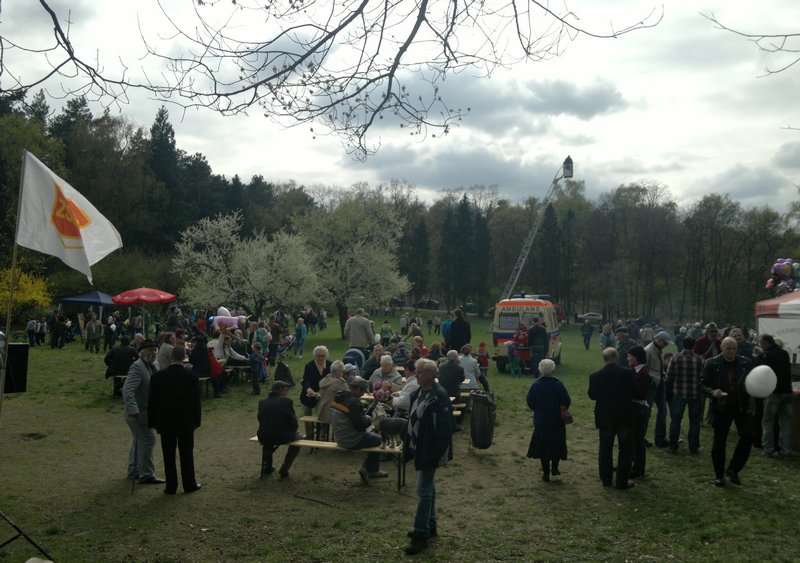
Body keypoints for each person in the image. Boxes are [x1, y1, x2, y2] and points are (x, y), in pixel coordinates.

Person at [403, 359, 454, 555]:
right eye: (416, 371)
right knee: (428, 488)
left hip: (428, 451)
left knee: (422, 491)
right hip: (418, 447)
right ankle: (430, 525)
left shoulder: (439, 397)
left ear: (431, 375)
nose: (416, 375)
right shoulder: (418, 392)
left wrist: (434, 454)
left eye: (420, 372)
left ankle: (420, 535)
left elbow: (445, 430)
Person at [699, 336, 754, 487]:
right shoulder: (712, 363)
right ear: (721, 348)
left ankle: (733, 469)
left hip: (741, 406)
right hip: (721, 407)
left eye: (734, 348)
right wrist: (712, 392)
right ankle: (719, 474)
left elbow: (753, 380)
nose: (731, 351)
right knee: (719, 441)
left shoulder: (745, 362)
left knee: (748, 436)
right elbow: (702, 384)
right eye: (728, 348)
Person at [148, 346, 202, 494]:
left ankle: (171, 486)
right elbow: (196, 402)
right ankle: (189, 484)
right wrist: (197, 421)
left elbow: (152, 401)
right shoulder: (192, 377)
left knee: (168, 455)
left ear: (171, 357)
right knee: (186, 454)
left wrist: (152, 421)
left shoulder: (158, 377)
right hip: (186, 421)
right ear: (184, 357)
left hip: (166, 421)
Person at [588, 348, 639, 490]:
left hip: (605, 417)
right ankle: (622, 481)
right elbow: (636, 392)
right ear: (617, 357)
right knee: (625, 450)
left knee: (605, 448)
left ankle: (606, 479)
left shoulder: (596, 376)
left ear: (604, 359)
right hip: (624, 416)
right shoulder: (627, 374)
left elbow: (592, 395)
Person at [122, 339, 165, 485]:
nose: (153, 353)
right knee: (148, 440)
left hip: (148, 412)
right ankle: (146, 474)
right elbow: (128, 390)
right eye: (150, 350)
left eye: (155, 350)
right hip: (138, 413)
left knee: (139, 441)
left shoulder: (154, 364)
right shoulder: (137, 366)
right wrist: (133, 409)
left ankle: (134, 471)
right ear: (142, 352)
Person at [330, 377, 386, 483]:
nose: (363, 394)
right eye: (363, 391)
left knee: (372, 436)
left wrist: (362, 417)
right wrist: (368, 420)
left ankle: (373, 469)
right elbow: (360, 426)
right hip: (351, 440)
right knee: (379, 439)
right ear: (358, 389)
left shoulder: (339, 397)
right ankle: (368, 469)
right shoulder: (354, 403)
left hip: (338, 437)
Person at [526, 359, 571, 482]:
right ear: (553, 370)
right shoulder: (559, 385)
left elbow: (530, 401)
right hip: (557, 421)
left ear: (540, 370)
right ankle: (555, 468)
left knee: (543, 448)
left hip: (541, 421)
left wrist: (537, 408)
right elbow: (567, 401)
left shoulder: (536, 385)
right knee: (556, 445)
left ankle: (546, 473)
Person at [755, 334, 793, 457]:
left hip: (773, 392)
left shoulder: (766, 355)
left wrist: (759, 355)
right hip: (787, 391)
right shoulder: (784, 353)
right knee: (785, 422)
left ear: (766, 343)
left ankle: (768, 449)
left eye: (761, 343)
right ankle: (786, 449)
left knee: (768, 421)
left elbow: (759, 369)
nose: (760, 345)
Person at [665, 336, 704, 454]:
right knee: (694, 421)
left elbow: (669, 377)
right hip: (695, 394)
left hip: (679, 393)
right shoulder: (699, 359)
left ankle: (673, 446)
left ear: (682, 344)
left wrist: (669, 392)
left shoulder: (675, 358)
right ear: (693, 345)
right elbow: (703, 377)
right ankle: (694, 447)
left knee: (676, 420)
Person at [257, 380, 303, 478]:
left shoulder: (262, 402)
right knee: (299, 440)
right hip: (283, 436)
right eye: (286, 390)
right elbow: (293, 422)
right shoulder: (287, 401)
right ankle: (285, 468)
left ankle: (267, 467)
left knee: (268, 439)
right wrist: (294, 431)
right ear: (281, 390)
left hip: (263, 435)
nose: (287, 393)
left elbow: (260, 419)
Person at [644, 331, 672, 448]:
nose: (666, 345)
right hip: (651, 385)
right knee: (646, 412)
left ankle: (660, 439)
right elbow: (643, 367)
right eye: (665, 343)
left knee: (663, 411)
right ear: (659, 340)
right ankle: (640, 437)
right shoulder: (648, 350)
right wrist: (650, 379)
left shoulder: (658, 350)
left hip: (660, 383)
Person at [627, 345, 650, 479]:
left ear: (636, 358)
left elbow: (641, 394)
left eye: (630, 356)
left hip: (639, 409)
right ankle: (629, 464)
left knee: (637, 440)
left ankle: (638, 469)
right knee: (631, 439)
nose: (628, 358)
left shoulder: (643, 373)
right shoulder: (633, 371)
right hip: (633, 408)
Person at [300, 346, 332, 434]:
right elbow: (305, 380)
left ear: (326, 356)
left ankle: (323, 435)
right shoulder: (309, 366)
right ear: (315, 356)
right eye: (318, 356)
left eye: (323, 356)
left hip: (323, 396)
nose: (320, 358)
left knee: (324, 415)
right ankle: (309, 434)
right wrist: (308, 389)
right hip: (309, 395)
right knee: (307, 416)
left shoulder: (330, 365)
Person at [317, 360, 350, 425]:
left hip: (321, 413)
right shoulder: (341, 383)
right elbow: (349, 396)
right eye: (342, 371)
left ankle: (323, 431)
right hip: (333, 415)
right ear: (340, 371)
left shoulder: (325, 379)